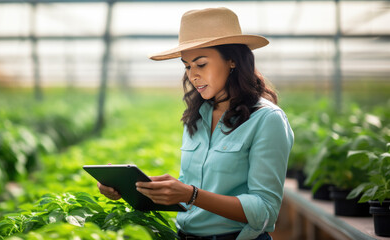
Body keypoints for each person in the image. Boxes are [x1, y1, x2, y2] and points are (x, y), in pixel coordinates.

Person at [97, 7, 294, 240]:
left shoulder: (266, 119)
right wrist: (138, 187)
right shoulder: (198, 115)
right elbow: (193, 185)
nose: (192, 75)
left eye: (201, 64)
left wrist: (190, 195)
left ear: (232, 61)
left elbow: (265, 211)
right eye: (187, 66)